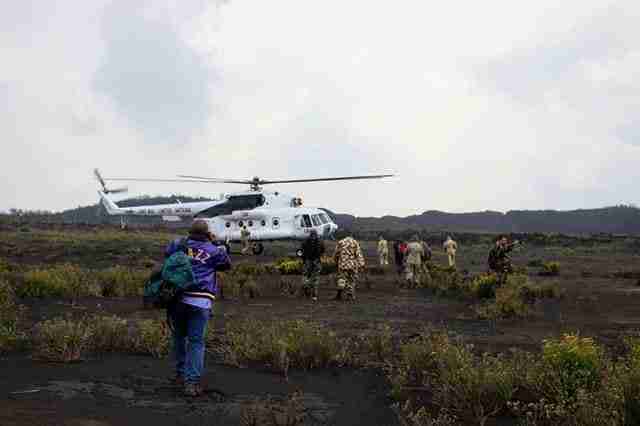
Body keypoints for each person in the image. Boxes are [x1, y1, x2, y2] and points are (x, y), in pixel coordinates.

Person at [165, 220, 231, 397]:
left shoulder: (178, 244)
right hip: (200, 301)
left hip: (177, 299)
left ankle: (179, 374)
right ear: (207, 232)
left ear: (190, 231)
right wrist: (217, 244)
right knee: (196, 342)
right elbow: (226, 264)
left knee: (178, 337)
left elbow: (167, 254)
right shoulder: (213, 250)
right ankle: (191, 382)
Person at [333, 234, 365, 301]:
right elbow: (358, 254)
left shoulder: (341, 242)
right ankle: (349, 295)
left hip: (343, 264)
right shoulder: (355, 242)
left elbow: (336, 253)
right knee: (351, 280)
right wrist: (361, 264)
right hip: (353, 264)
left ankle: (339, 294)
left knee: (342, 278)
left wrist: (335, 261)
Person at [300, 229, 325, 301]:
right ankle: (314, 295)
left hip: (307, 261)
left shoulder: (304, 242)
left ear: (310, 234)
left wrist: (304, 260)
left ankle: (306, 286)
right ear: (316, 234)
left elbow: (301, 252)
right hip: (316, 261)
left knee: (305, 276)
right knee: (315, 278)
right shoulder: (320, 242)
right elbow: (323, 251)